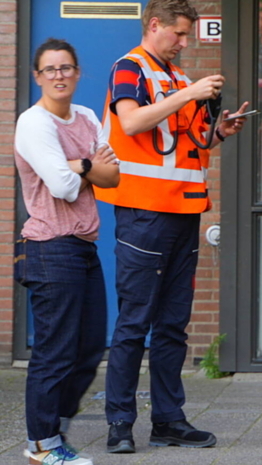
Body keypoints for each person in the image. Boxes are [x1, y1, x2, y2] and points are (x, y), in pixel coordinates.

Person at [94, 0, 249, 454]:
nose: (184, 42)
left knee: (173, 325)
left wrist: (219, 131)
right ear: (155, 25)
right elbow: (134, 122)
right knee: (134, 323)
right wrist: (191, 92)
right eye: (179, 33)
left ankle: (168, 420)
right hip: (144, 213)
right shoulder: (131, 67)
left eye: (187, 34)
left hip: (182, 212)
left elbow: (187, 144)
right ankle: (120, 423)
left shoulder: (175, 75)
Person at [14, 38, 121, 465]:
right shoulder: (33, 123)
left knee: (90, 348)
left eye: (66, 68)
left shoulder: (88, 117)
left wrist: (77, 166)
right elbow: (61, 186)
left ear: (78, 73)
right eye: (50, 69)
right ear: (38, 77)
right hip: (48, 247)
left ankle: (52, 434)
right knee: (56, 352)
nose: (59, 75)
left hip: (83, 246)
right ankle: (41, 445)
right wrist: (84, 165)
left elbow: (114, 178)